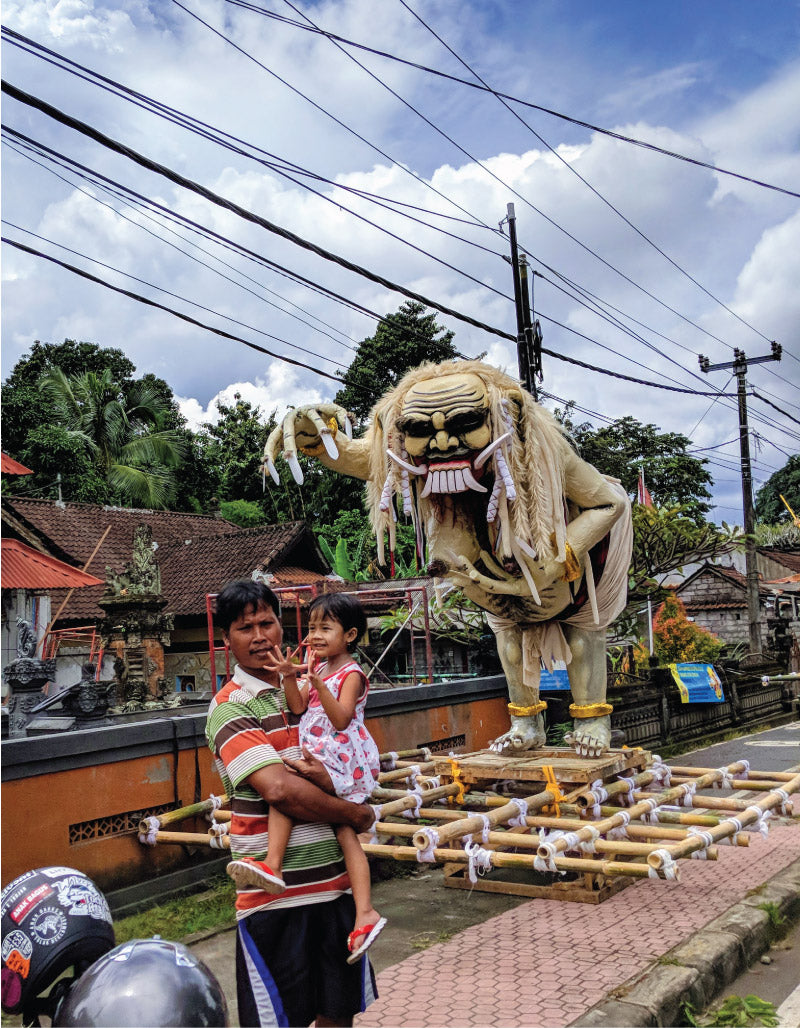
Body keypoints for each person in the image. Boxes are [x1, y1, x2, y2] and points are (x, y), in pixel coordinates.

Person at [206, 580, 378, 1028]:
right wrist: (357, 815)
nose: (261, 635)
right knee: (281, 1021)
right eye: (246, 628)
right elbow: (279, 790)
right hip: (273, 900)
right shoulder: (230, 706)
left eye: (268, 622)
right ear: (227, 639)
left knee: (338, 1016)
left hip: (335, 888)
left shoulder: (305, 686)